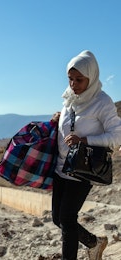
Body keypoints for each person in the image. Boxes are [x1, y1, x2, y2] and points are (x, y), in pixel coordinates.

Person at [51, 50, 121, 260]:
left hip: (82, 169)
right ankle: (95, 243)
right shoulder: (70, 98)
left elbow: (117, 137)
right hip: (61, 168)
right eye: (70, 79)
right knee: (58, 219)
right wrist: (58, 117)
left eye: (79, 79)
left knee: (67, 217)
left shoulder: (102, 102)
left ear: (91, 77)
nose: (73, 84)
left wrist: (85, 141)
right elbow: (73, 121)